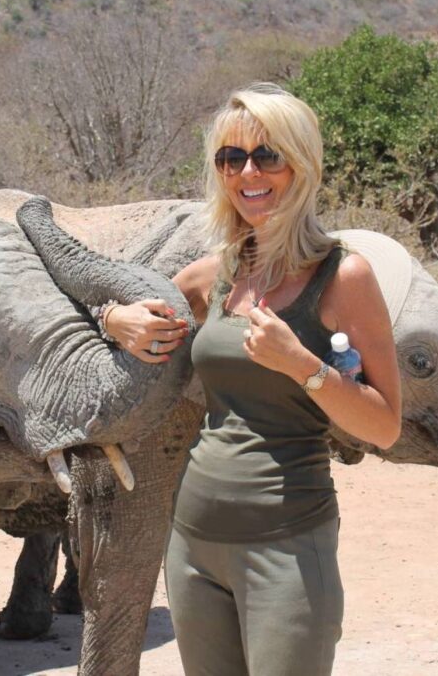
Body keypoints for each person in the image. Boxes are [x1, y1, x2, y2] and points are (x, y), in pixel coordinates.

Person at [98, 83, 402, 675]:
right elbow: (128, 305)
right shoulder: (215, 275)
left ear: (303, 164)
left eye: (268, 155)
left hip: (287, 545)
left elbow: (386, 425)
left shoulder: (345, 277)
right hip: (191, 545)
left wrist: (303, 365)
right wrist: (115, 319)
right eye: (231, 158)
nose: (248, 172)